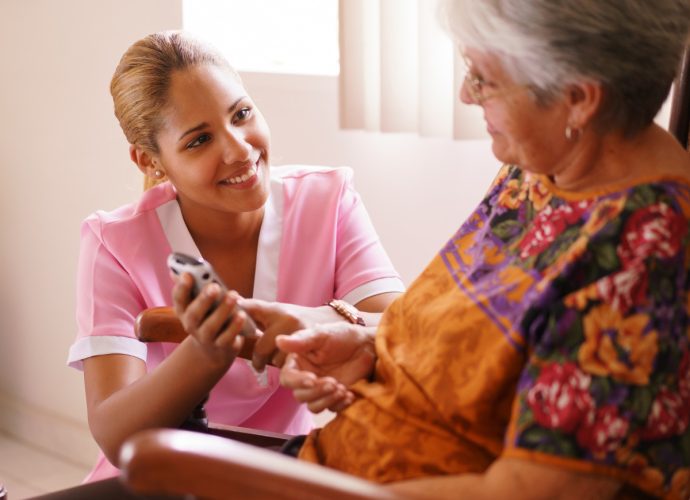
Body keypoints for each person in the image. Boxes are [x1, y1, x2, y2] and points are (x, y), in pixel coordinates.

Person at [221, 0, 690, 498]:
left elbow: (531, 492)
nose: (466, 94)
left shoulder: (645, 252)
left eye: (484, 78)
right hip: (331, 462)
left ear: (578, 99)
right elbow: (485, 341)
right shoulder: (547, 164)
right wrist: (367, 344)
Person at [65, 30, 404, 483]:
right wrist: (206, 353)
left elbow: (405, 332)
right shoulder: (114, 242)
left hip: (277, 477)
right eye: (199, 140)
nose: (240, 148)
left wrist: (315, 320)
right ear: (150, 162)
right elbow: (115, 434)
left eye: (241, 114)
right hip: (159, 484)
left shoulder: (330, 199)